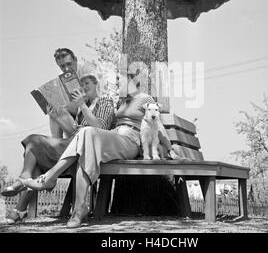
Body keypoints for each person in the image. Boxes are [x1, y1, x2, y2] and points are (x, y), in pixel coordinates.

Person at [23, 72, 178, 228]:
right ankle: (79, 208)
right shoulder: (123, 102)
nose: (117, 84)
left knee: (87, 132)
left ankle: (49, 177)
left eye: (120, 81)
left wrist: (170, 149)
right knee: (85, 136)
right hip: (114, 138)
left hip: (130, 139)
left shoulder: (145, 98)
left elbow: (157, 125)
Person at [1, 73, 115, 224]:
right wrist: (55, 115)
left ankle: (20, 202)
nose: (84, 87)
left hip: (87, 148)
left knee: (34, 144)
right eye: (81, 85)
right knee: (34, 144)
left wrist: (80, 104)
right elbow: (73, 130)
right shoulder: (83, 107)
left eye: (87, 83)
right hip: (72, 144)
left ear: (96, 85)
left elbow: (100, 128)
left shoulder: (104, 100)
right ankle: (25, 186)